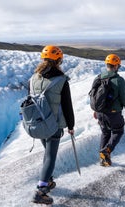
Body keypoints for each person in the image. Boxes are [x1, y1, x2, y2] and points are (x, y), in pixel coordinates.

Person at [28, 45, 75, 205]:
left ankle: (47, 181)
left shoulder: (34, 78)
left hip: (38, 124)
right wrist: (71, 125)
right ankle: (41, 191)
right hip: (53, 125)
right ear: (59, 60)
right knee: (50, 156)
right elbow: (67, 106)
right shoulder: (61, 80)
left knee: (47, 154)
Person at [92, 54, 125, 167]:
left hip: (100, 112)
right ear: (116, 66)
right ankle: (107, 150)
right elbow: (124, 97)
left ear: (107, 65)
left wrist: (96, 110)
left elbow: (94, 96)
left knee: (105, 133)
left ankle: (103, 159)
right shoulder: (119, 80)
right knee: (118, 131)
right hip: (113, 112)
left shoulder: (98, 77)